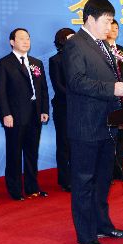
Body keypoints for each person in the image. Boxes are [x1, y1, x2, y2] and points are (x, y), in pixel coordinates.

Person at [63, 0, 123, 244]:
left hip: (107, 124)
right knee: (84, 181)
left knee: (103, 180)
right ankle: (85, 234)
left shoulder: (102, 45)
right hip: (86, 125)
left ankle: (103, 225)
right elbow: (76, 81)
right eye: (106, 21)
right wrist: (111, 88)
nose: (110, 26)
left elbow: (107, 79)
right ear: (90, 19)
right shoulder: (75, 44)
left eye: (112, 21)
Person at [0, 28, 49, 200]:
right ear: (12, 42)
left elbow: (43, 89)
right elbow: (0, 92)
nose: (26, 41)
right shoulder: (4, 63)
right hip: (15, 116)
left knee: (32, 153)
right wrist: (5, 114)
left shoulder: (36, 63)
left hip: (35, 115)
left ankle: (32, 187)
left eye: (28, 38)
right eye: (21, 38)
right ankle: (15, 190)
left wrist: (44, 110)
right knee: (14, 154)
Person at [106, 20, 123, 182]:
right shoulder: (100, 49)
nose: (114, 30)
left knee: (122, 135)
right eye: (112, 27)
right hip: (108, 98)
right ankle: (108, 172)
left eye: (117, 28)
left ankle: (120, 169)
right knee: (109, 137)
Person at [49, 27, 75, 192]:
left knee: (78, 144)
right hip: (63, 107)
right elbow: (58, 86)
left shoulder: (80, 58)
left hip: (79, 108)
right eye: (70, 38)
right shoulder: (55, 60)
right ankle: (65, 179)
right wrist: (77, 97)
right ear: (62, 40)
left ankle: (77, 176)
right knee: (64, 144)